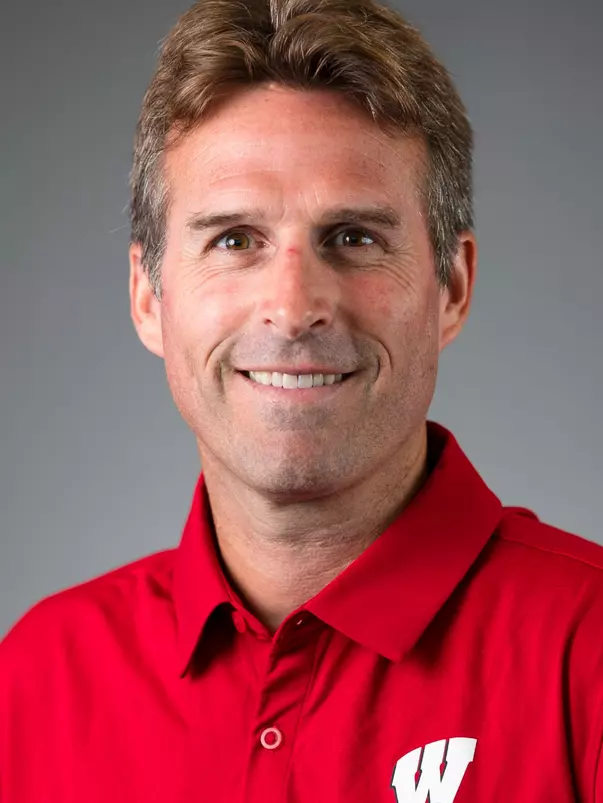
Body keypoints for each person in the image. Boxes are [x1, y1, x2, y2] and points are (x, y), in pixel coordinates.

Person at [1, 0, 602, 800]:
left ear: (450, 287)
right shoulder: (38, 677)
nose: (292, 306)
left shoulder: (585, 649)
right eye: (233, 239)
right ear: (148, 295)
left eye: (352, 237)